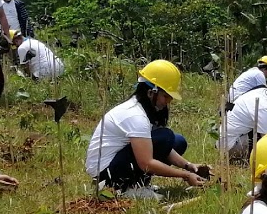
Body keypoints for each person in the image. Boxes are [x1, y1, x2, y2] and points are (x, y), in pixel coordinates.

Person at [85, 60, 210, 198]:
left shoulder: (144, 110)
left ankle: (138, 183)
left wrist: (188, 166)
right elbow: (146, 162)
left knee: (177, 141)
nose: (168, 102)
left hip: (116, 163)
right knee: (166, 137)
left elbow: (161, 148)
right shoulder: (135, 116)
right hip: (106, 175)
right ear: (151, 92)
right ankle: (125, 189)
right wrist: (185, 175)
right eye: (166, 96)